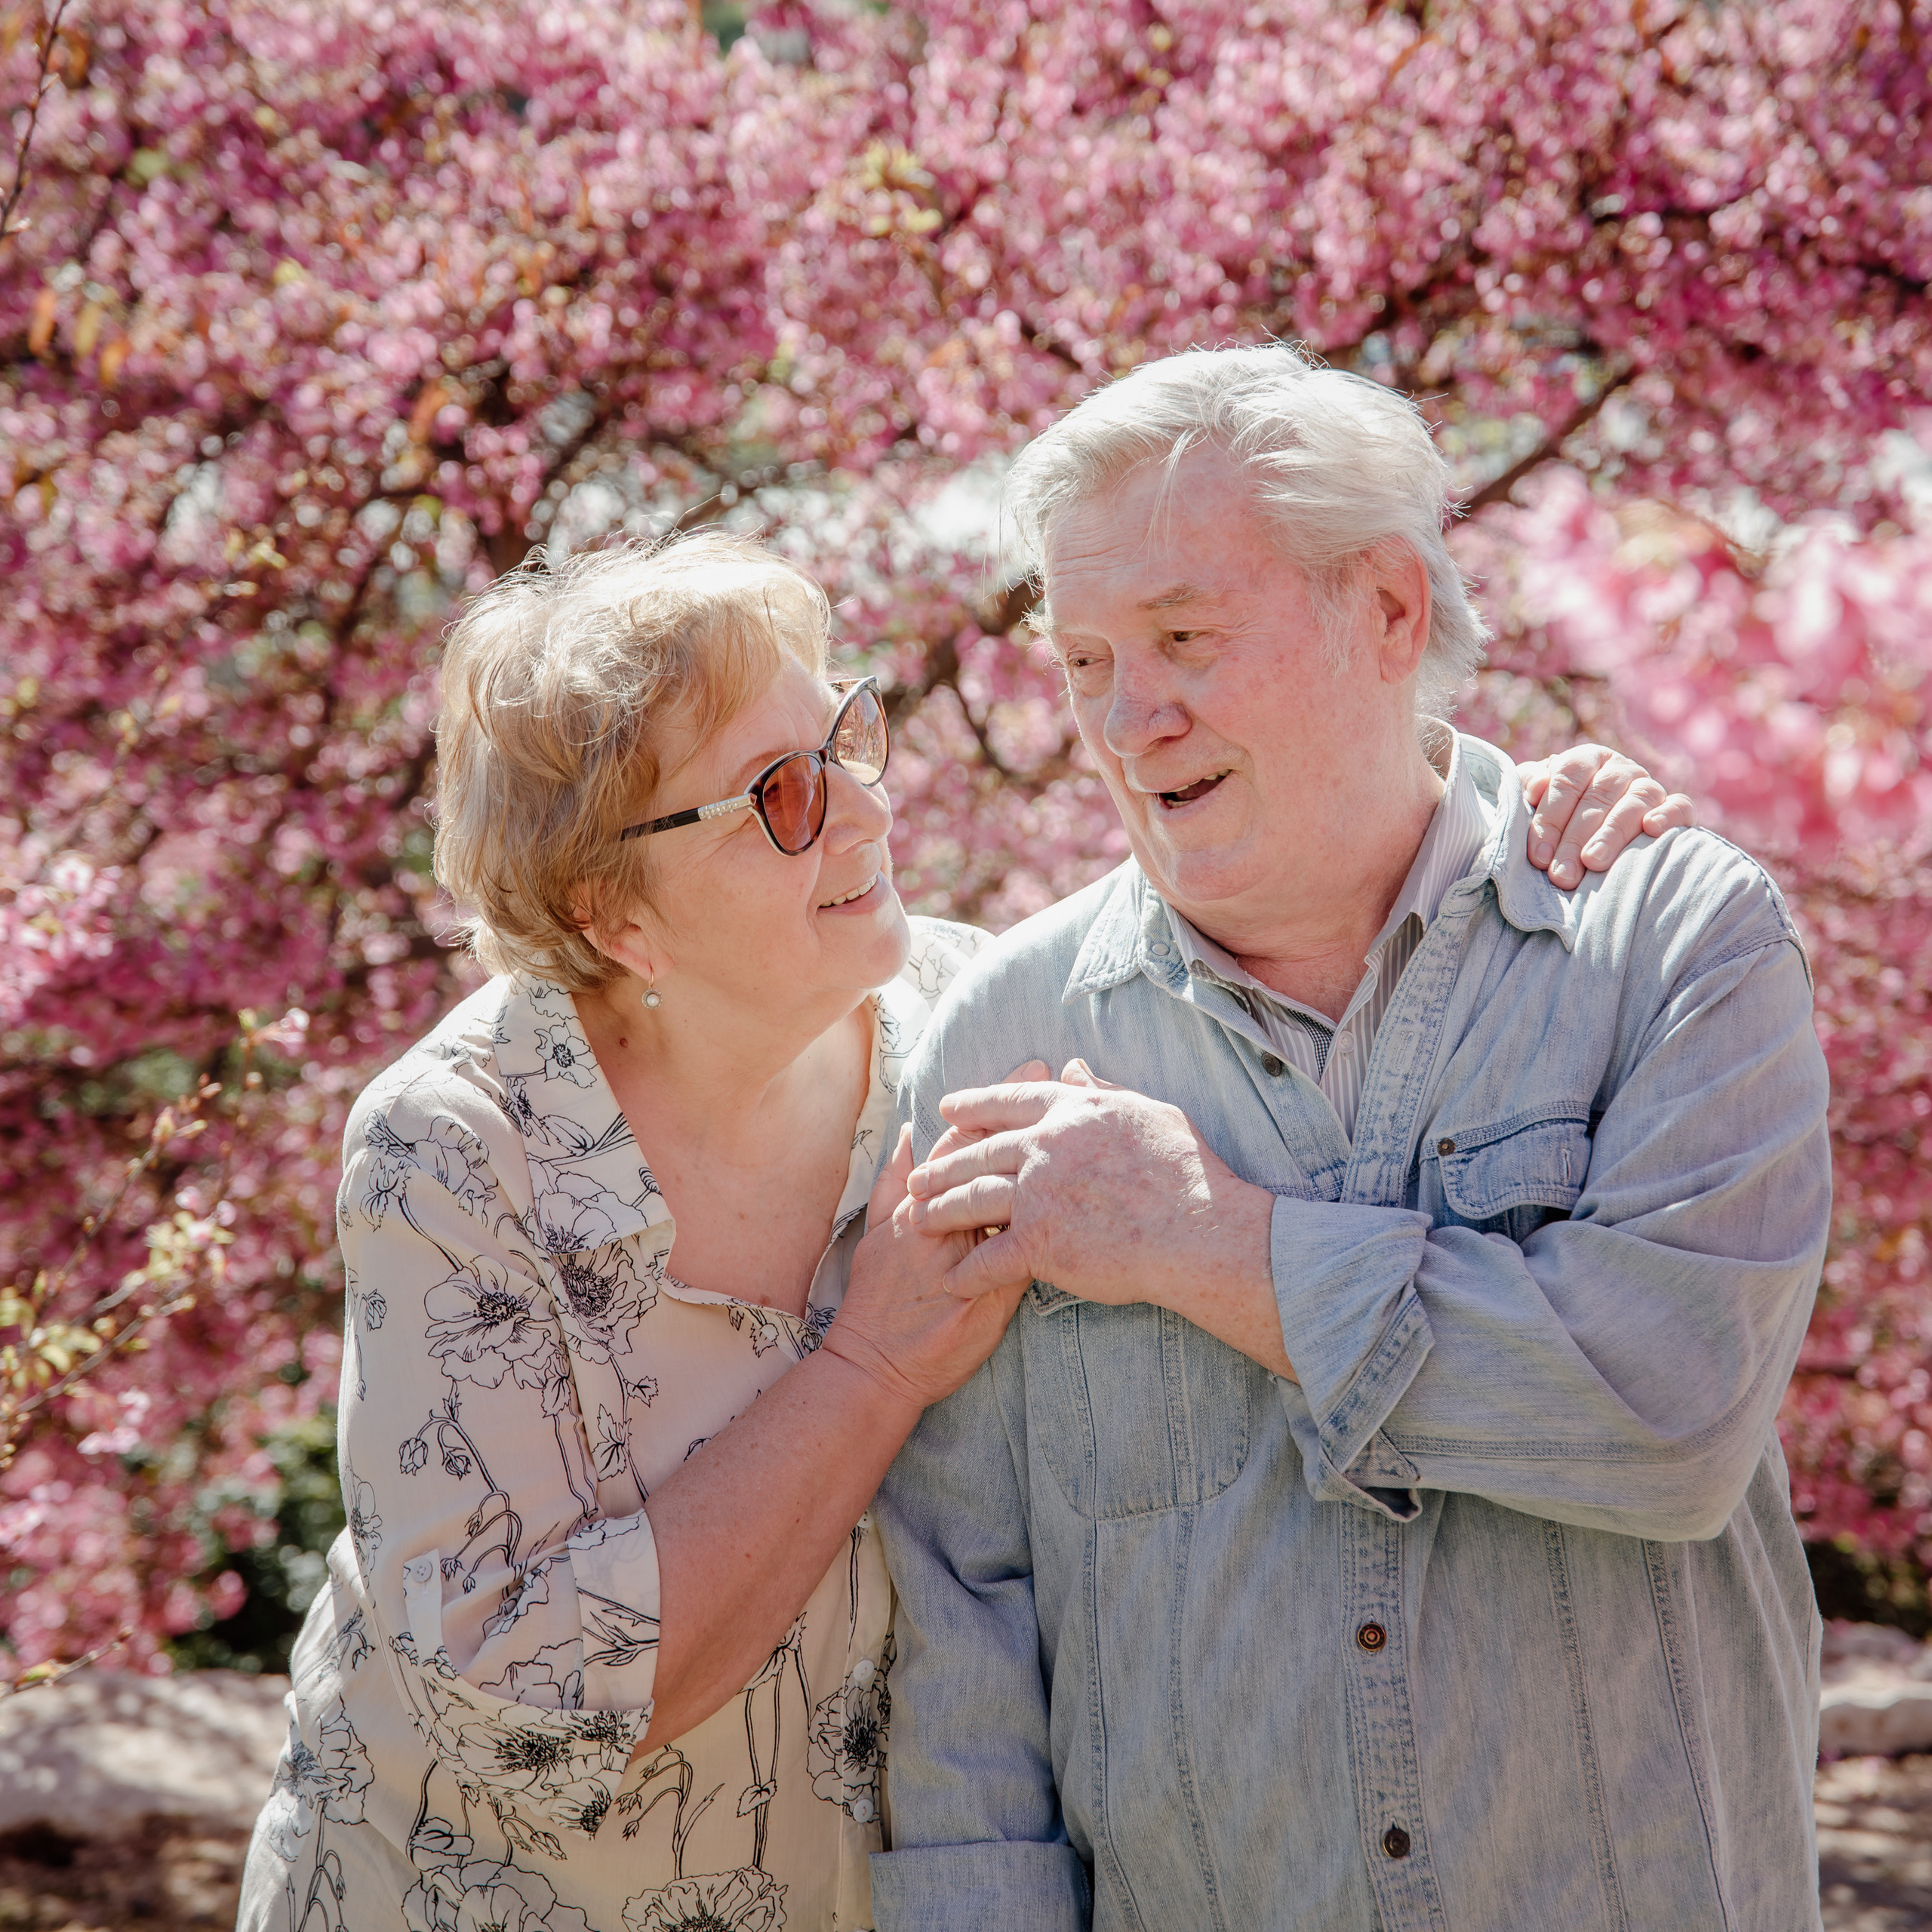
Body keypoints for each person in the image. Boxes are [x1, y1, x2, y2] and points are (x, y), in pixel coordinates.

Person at [237, 526, 1681, 1932]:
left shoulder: (975, 1026)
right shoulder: (457, 1147)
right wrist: (869, 1364)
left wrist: (1509, 821)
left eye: (847, 739)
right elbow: (529, 1715)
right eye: (779, 796)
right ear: (613, 911)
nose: (864, 810)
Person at [871, 344, 1832, 1932]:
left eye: (1182, 635)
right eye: (1086, 658)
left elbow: (1664, 1416)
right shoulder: (1007, 1035)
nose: (1129, 713)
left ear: (1387, 612)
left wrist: (1210, 1245)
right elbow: (958, 1601)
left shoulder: (1670, 942)